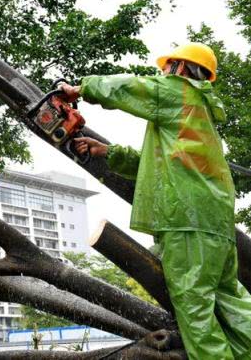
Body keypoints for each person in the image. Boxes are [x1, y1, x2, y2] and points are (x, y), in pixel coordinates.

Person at [58, 43, 251, 360]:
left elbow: (130, 86)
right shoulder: (197, 114)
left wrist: (80, 88)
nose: (162, 73)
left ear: (180, 68)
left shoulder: (179, 92)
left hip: (186, 220)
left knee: (195, 307)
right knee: (231, 303)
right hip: (214, 226)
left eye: (166, 68)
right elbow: (160, 165)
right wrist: (108, 152)